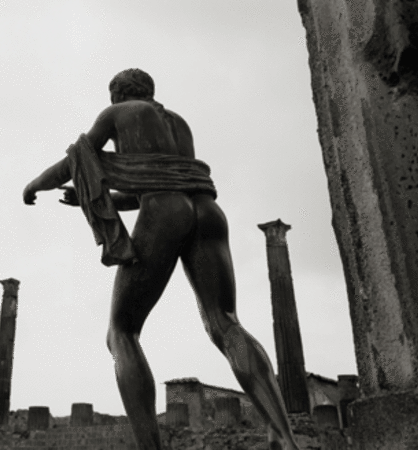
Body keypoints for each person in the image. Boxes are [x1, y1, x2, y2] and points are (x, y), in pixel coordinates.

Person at [23, 69, 300, 450]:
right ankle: (284, 435)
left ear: (117, 94)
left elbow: (77, 160)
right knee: (226, 323)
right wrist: (86, 198)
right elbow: (159, 183)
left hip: (165, 211)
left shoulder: (117, 113)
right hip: (208, 212)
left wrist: (35, 184)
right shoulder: (180, 124)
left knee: (122, 332)